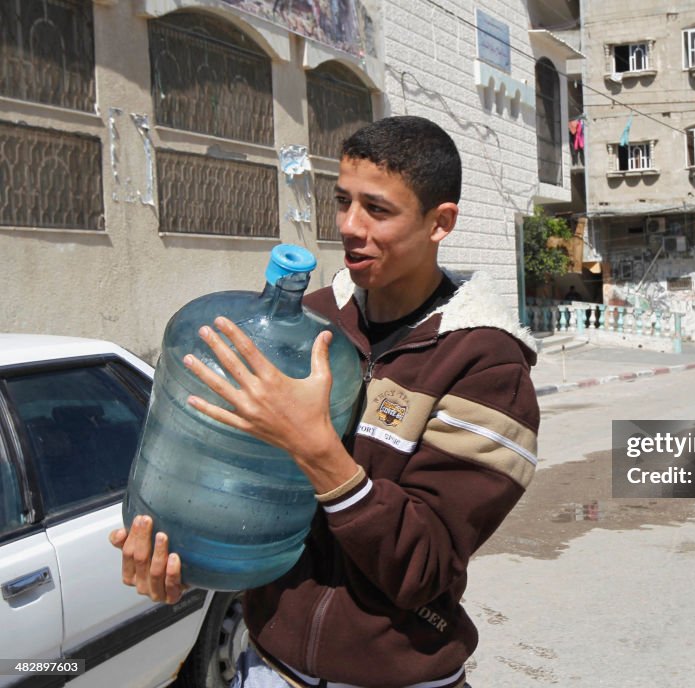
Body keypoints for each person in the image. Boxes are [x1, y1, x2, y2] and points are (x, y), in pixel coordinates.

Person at [110, 116, 540, 688]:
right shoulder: (312, 324)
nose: (349, 227)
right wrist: (184, 559)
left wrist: (315, 448)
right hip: (264, 666)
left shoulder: (485, 365)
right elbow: (252, 495)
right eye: (342, 202)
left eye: (377, 210)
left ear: (441, 222)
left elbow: (424, 565)